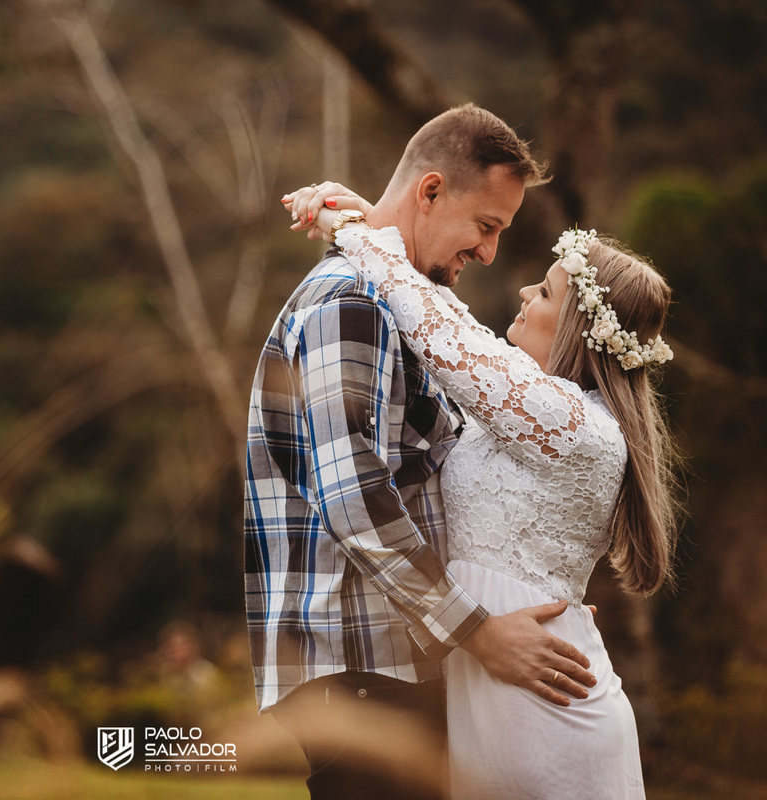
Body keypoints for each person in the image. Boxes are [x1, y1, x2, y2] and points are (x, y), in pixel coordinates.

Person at [244, 104, 597, 800]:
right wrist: (479, 633)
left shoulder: (391, 301)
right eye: (486, 227)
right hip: (362, 668)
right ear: (430, 191)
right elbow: (355, 496)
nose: (490, 253)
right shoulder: (350, 302)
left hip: (384, 665)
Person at [295, 198, 679, 795]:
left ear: (577, 329)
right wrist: (379, 219)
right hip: (504, 675)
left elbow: (431, 322)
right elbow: (447, 315)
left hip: (539, 704)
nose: (526, 291)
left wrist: (346, 226)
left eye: (546, 292)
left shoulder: (568, 423)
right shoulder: (549, 409)